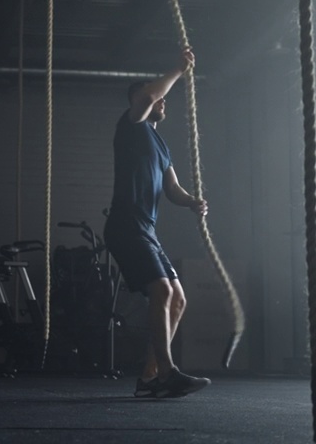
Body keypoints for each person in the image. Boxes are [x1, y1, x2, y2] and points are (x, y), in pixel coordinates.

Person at [104, 46, 211, 398]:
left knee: (177, 299)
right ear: (137, 99)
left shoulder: (160, 144)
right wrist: (179, 70)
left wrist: (193, 201)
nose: (162, 102)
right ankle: (167, 372)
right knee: (162, 290)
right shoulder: (131, 124)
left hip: (146, 229)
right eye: (155, 97)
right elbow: (151, 93)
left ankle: (149, 379)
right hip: (125, 225)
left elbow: (173, 188)